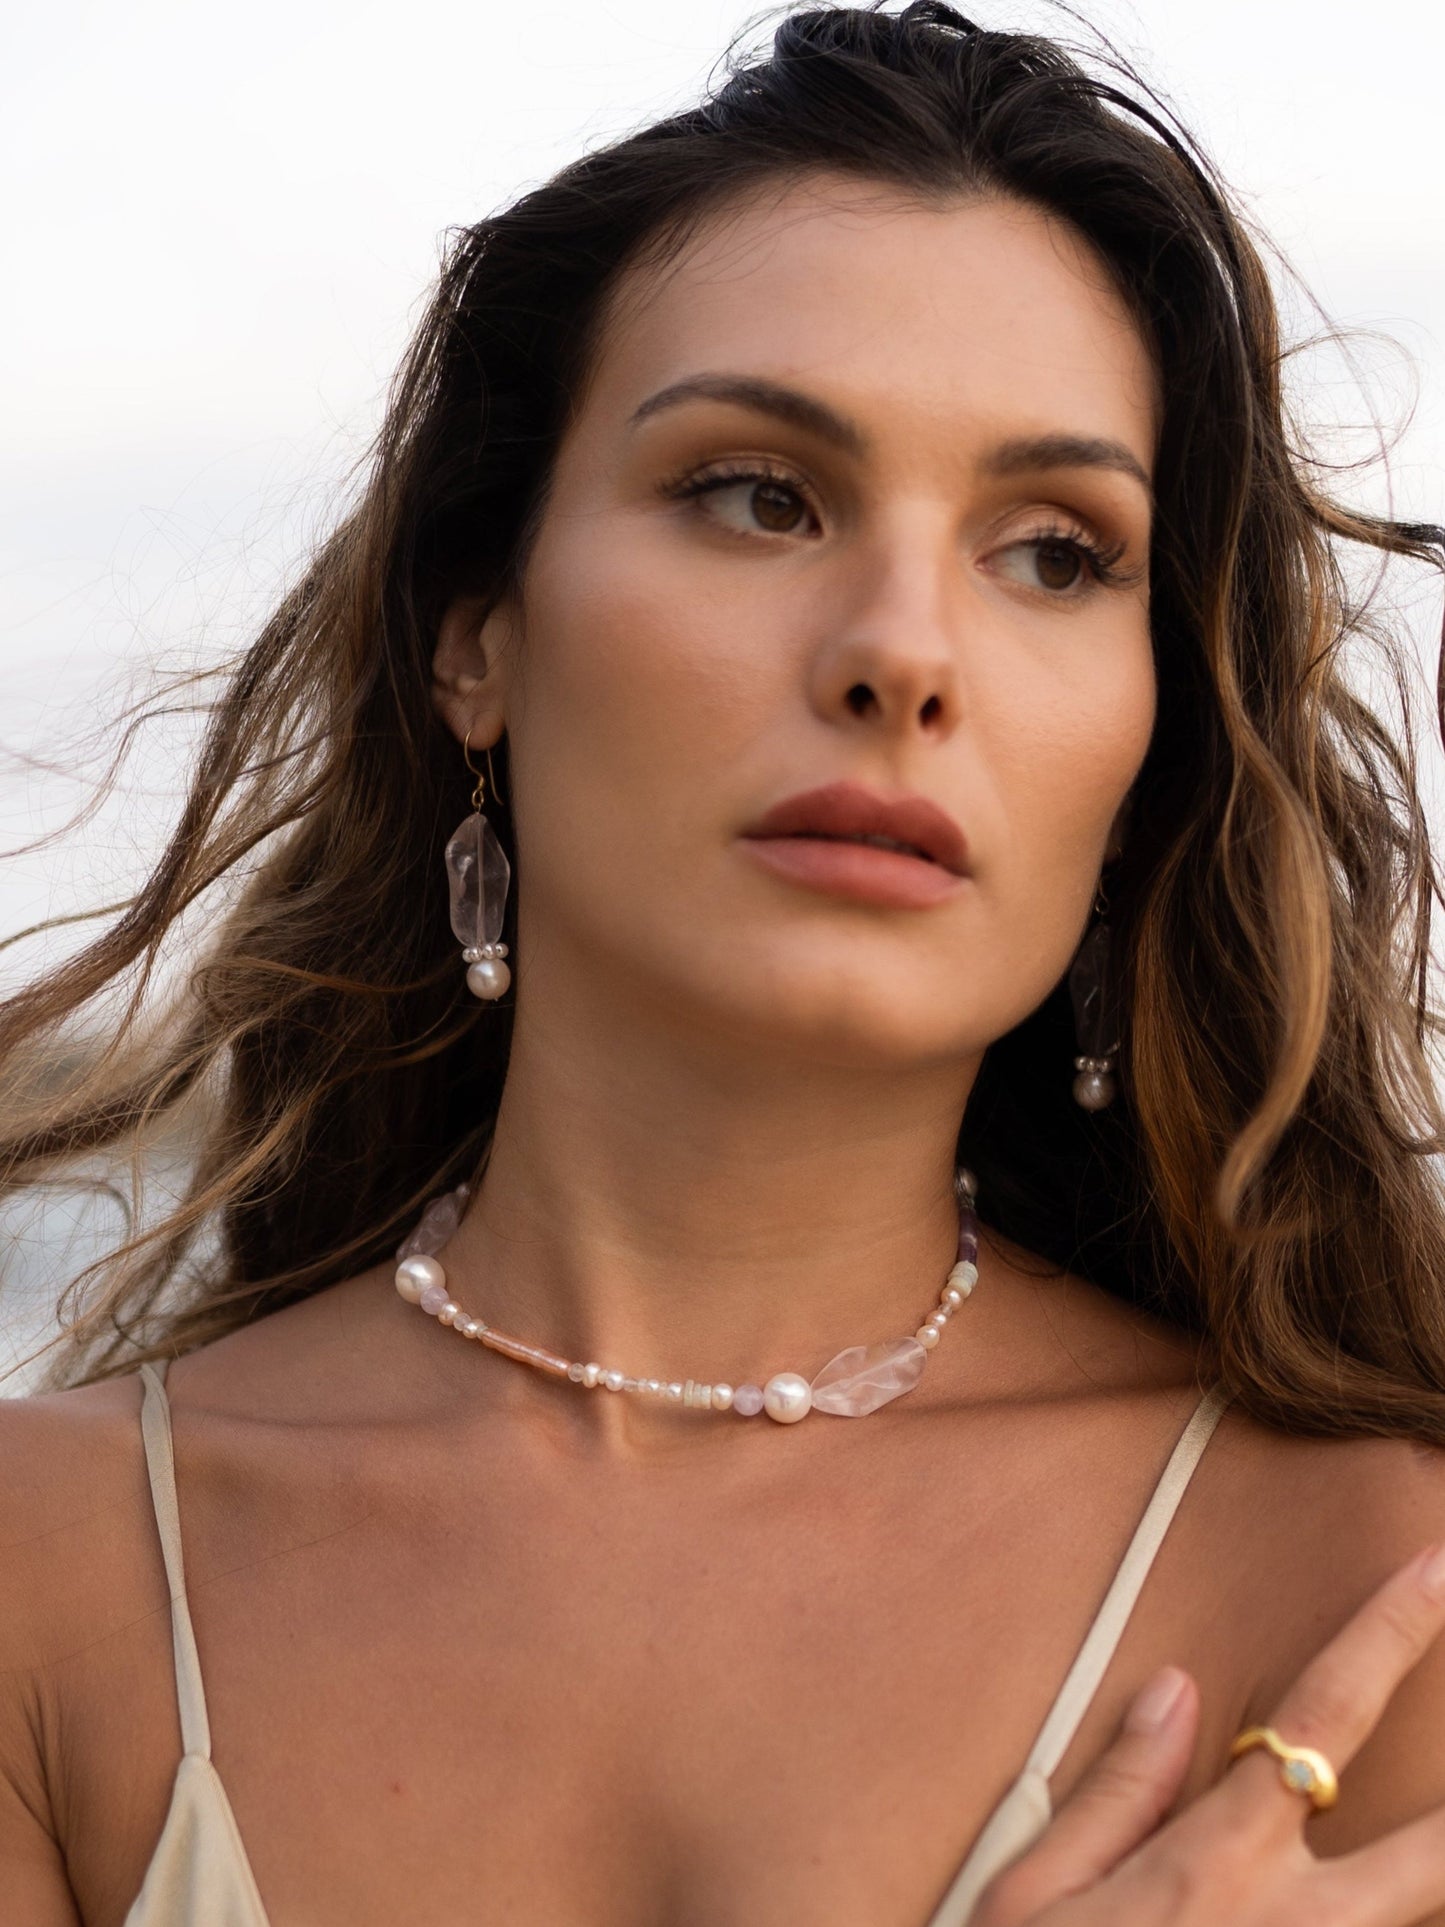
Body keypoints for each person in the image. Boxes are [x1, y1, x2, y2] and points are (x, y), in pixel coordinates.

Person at [3, 2, 1445, 1921]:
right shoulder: (57, 1575)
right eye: (760, 496)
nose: (903, 652)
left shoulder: (1368, 1593)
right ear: (476, 636)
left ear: (1148, 739)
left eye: (1053, 551)